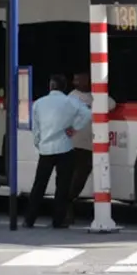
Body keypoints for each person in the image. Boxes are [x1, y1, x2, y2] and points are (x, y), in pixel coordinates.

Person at [25, 74, 92, 229]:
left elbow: (35, 128)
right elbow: (87, 114)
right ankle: (58, 220)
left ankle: (29, 219)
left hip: (45, 150)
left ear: (51, 86)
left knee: (39, 185)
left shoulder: (39, 103)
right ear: (64, 87)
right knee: (62, 186)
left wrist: (39, 143)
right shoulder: (71, 101)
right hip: (65, 148)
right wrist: (74, 128)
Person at [65, 71, 116, 225]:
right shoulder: (71, 97)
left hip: (88, 145)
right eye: (76, 79)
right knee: (74, 178)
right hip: (74, 144)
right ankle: (66, 206)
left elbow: (111, 104)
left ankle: (67, 203)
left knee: (81, 177)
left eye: (82, 78)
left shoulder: (96, 96)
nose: (79, 81)